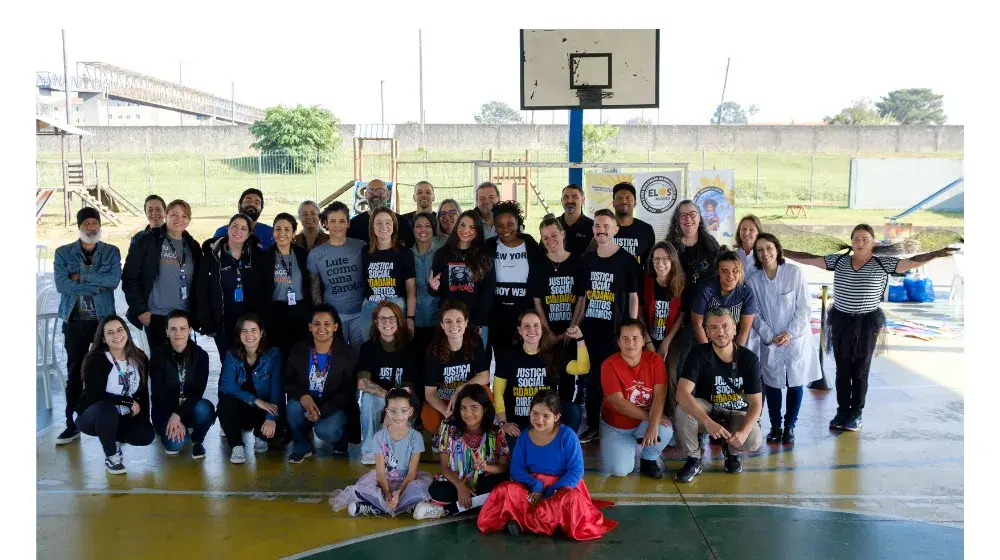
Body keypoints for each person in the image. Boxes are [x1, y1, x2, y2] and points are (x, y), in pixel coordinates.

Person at [783, 223, 957, 431]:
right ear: (851, 241)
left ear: (873, 242)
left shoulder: (883, 263)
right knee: (842, 369)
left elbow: (911, 262)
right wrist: (780, 250)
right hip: (841, 320)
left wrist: (934, 254)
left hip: (866, 324)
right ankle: (842, 411)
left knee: (860, 369)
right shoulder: (839, 260)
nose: (860, 242)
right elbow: (808, 257)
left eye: (865, 239)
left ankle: (856, 413)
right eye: (856, 238)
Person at [477, 391, 617, 540]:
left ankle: (523, 523)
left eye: (546, 416)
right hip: (531, 488)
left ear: (556, 417)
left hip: (561, 488)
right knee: (505, 490)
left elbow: (576, 471)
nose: (539, 420)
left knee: (570, 500)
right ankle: (554, 526)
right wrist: (535, 485)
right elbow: (516, 468)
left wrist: (552, 490)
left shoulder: (567, 436)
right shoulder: (524, 436)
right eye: (535, 414)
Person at [570, 209, 640, 444]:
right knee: (591, 381)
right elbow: (581, 299)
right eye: (597, 226)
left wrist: (631, 332)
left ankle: (621, 425)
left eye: (606, 226)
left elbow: (633, 297)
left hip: (616, 334)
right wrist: (574, 326)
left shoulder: (628, 261)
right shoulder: (586, 261)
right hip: (591, 332)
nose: (601, 230)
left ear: (615, 230)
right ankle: (593, 426)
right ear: (593, 229)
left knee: (617, 382)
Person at [54, 208, 123, 445]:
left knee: (112, 371)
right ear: (79, 226)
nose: (91, 226)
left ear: (99, 226)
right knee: (75, 374)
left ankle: (118, 420)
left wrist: (80, 278)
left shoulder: (111, 252)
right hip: (75, 323)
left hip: (103, 322)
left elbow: (113, 281)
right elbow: (63, 285)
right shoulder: (63, 253)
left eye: (95, 222)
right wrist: (96, 283)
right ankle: (71, 424)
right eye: (86, 223)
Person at [745, 233, 821, 444]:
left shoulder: (794, 273)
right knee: (773, 384)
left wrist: (790, 333)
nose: (765, 253)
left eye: (769, 248)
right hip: (771, 341)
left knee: (795, 382)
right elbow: (754, 314)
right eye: (760, 250)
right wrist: (770, 336)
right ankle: (776, 426)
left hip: (795, 340)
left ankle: (790, 427)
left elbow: (804, 307)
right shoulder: (753, 280)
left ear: (777, 249)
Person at [674, 309, 764, 482]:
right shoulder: (699, 354)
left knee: (753, 439)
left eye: (725, 326)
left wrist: (744, 432)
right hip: (709, 409)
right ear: (707, 331)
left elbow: (756, 404)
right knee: (683, 409)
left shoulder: (749, 359)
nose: (720, 332)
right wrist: (707, 422)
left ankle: (731, 452)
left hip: (737, 412)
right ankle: (694, 459)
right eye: (713, 327)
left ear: (735, 329)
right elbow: (682, 393)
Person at [412, 384, 511, 520]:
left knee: (502, 486)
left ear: (485, 408)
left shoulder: (496, 432)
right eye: (463, 408)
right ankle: (478, 504)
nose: (468, 413)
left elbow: (505, 468)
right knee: (439, 491)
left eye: (474, 408)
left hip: (483, 483)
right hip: (456, 482)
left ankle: (446, 510)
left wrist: (487, 467)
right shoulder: (448, 428)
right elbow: (444, 467)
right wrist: (460, 487)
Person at [329, 388, 433, 517]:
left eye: (403, 411)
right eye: (393, 411)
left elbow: (412, 472)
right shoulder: (379, 437)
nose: (398, 416)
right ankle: (404, 506)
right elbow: (379, 472)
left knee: (423, 489)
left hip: (407, 481)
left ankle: (373, 507)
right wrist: (388, 493)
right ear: (387, 412)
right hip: (385, 480)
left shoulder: (416, 437)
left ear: (410, 412)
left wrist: (399, 491)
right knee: (362, 488)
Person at [74, 315, 155, 474]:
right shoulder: (96, 359)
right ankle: (112, 455)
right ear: (103, 338)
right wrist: (128, 402)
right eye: (110, 333)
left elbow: (143, 394)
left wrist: (144, 420)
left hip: (123, 415)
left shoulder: (139, 358)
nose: (116, 335)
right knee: (106, 409)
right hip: (94, 416)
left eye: (120, 330)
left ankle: (113, 436)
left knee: (145, 436)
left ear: (126, 332)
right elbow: (95, 396)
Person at [495, 312, 588, 442]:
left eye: (536, 325)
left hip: (546, 421)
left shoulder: (553, 354)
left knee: (573, 410)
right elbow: (498, 392)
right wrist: (503, 423)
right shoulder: (507, 356)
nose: (532, 330)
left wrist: (580, 339)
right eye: (526, 326)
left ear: (542, 329)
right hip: (518, 424)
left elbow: (582, 368)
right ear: (519, 330)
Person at [284, 304, 359, 463]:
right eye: (317, 324)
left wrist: (322, 412)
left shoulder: (347, 354)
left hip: (334, 405)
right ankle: (302, 445)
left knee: (325, 430)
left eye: (327, 324)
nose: (322, 328)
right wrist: (302, 395)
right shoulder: (299, 349)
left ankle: (340, 439)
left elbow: (347, 391)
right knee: (292, 407)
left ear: (335, 327)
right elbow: (288, 380)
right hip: (308, 401)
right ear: (310, 327)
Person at [123, 200, 202, 350]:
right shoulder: (147, 241)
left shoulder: (192, 246)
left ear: (189, 221)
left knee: (180, 363)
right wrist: (141, 311)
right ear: (166, 216)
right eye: (174, 214)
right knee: (159, 366)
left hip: (182, 316)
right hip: (155, 315)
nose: (179, 219)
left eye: (184, 216)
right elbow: (129, 277)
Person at [599, 319, 672, 478]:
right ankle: (627, 447)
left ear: (643, 340)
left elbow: (660, 395)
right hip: (616, 427)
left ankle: (649, 458)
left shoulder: (654, 360)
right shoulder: (609, 365)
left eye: (635, 338)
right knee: (619, 471)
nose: (630, 343)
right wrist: (652, 420)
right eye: (625, 338)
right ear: (618, 342)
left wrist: (653, 424)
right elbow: (619, 404)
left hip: (642, 424)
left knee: (665, 429)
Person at [196, 213, 267, 361]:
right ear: (228, 229)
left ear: (248, 234)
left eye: (243, 228)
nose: (238, 231)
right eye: (234, 226)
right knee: (228, 362)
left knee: (250, 362)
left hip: (249, 323)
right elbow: (202, 291)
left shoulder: (255, 254)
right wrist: (207, 322)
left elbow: (263, 289)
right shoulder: (212, 255)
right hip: (223, 323)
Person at [148, 309, 215, 459]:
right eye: (173, 329)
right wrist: (171, 417)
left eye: (183, 328)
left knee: (205, 408)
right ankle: (178, 431)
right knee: (175, 445)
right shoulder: (158, 355)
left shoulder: (201, 355)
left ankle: (197, 440)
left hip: (187, 408)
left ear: (190, 330)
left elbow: (198, 391)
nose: (178, 333)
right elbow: (157, 393)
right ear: (167, 332)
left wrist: (178, 414)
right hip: (165, 411)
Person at [357, 301, 417, 465]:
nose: (387, 323)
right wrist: (386, 395)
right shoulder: (368, 347)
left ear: (399, 321)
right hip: (381, 398)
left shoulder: (409, 348)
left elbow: (410, 386)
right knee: (368, 399)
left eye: (392, 318)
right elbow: (363, 382)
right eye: (382, 319)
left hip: (404, 400)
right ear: (376, 322)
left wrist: (395, 403)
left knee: (395, 451)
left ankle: (387, 434)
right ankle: (369, 448)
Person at [666, 200, 721, 377]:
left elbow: (718, 280)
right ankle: (680, 403)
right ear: (677, 220)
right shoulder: (670, 246)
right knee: (678, 367)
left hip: (705, 314)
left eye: (692, 214)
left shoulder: (710, 244)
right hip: (675, 316)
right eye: (683, 215)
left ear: (699, 218)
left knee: (705, 364)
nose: (688, 219)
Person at [421, 301, 492, 435]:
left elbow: (485, 375)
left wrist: (461, 388)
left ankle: (479, 433)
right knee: (430, 419)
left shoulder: (475, 342)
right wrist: (449, 414)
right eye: (448, 321)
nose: (454, 325)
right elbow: (430, 394)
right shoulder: (434, 350)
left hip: (467, 395)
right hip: (445, 398)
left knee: (487, 394)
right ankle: (442, 437)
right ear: (442, 325)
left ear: (466, 322)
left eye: (458, 320)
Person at [428, 210, 496, 346]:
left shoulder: (484, 256)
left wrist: (478, 322)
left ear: (478, 231)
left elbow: (488, 292)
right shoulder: (442, 254)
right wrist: (432, 287)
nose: (466, 230)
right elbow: (434, 291)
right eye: (462, 225)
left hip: (475, 321)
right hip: (449, 322)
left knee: (476, 363)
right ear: (457, 226)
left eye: (472, 227)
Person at [485, 201, 542, 362]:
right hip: (497, 316)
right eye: (500, 225)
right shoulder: (489, 247)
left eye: (510, 223)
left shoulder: (530, 245)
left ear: (518, 223)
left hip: (524, 314)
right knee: (502, 360)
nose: (505, 229)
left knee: (523, 359)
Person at [308, 201, 368, 348]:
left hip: (360, 313)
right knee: (336, 356)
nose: (337, 225)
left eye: (342, 221)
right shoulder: (316, 254)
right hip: (333, 315)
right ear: (326, 224)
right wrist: (323, 316)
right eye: (333, 221)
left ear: (348, 223)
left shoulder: (361, 246)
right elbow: (315, 289)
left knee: (359, 354)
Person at [259, 213, 313, 360]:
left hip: (300, 311)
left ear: (294, 233)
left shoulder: (302, 254)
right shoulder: (265, 257)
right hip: (276, 313)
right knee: (279, 356)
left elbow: (309, 283)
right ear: (273, 232)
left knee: (300, 355)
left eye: (287, 229)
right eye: (278, 229)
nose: (282, 233)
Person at [359, 207, 417, 338]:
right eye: (378, 222)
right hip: (371, 306)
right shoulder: (365, 251)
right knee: (370, 348)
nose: (383, 226)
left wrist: (410, 318)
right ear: (372, 226)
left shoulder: (404, 252)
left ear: (394, 225)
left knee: (395, 348)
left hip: (396, 305)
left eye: (388, 222)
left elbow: (411, 291)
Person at [641, 241, 685, 414]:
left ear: (673, 260)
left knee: (671, 372)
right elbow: (639, 312)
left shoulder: (680, 281)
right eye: (656, 259)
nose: (660, 263)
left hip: (672, 337)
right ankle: (649, 414)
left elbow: (682, 314)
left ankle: (672, 415)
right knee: (649, 373)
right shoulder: (647, 282)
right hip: (648, 335)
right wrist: (648, 341)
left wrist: (666, 341)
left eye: (665, 259)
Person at [691, 248, 758, 348]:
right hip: (705, 342)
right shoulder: (706, 289)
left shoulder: (746, 292)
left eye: (735, 271)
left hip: (732, 344)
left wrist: (735, 355)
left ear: (740, 271)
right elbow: (697, 324)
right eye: (724, 271)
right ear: (718, 272)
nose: (730, 275)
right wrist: (707, 353)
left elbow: (745, 330)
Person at [531, 215, 582, 338]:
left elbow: (581, 299)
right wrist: (547, 331)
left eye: (554, 235)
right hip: (547, 333)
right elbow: (537, 302)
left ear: (562, 234)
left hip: (573, 333)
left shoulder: (577, 262)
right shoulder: (538, 265)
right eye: (545, 238)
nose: (550, 241)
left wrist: (571, 330)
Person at [411, 211, 445, 360]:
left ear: (434, 229)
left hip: (438, 320)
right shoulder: (407, 254)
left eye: (427, 226)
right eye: (418, 226)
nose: (422, 230)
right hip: (414, 320)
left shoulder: (442, 253)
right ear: (413, 230)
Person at [347, 178, 415, 248]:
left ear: (388, 195)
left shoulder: (403, 223)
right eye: (371, 191)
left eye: (380, 191)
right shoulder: (354, 224)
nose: (375, 194)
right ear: (366, 195)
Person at [610, 182, 656, 269]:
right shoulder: (604, 228)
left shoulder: (646, 230)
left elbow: (649, 265)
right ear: (613, 203)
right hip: (610, 281)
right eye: (619, 198)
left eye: (628, 198)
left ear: (634, 203)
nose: (624, 201)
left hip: (637, 282)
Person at [557, 184, 594, 258]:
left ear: (582, 200)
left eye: (574, 197)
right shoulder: (553, 224)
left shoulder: (593, 226)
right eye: (566, 197)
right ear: (561, 200)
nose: (569, 201)